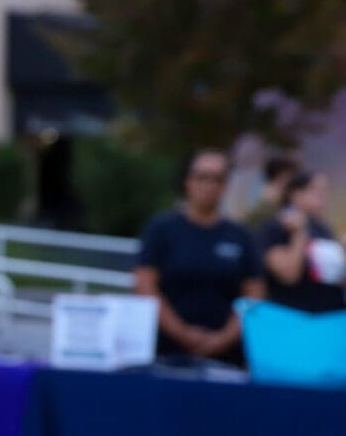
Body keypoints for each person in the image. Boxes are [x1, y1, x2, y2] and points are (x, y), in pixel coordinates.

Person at [134, 149, 263, 364]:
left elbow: (254, 297)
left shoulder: (240, 237)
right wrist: (182, 333)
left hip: (226, 358)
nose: (208, 185)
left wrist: (222, 338)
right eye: (201, 176)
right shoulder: (162, 230)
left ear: (225, 185)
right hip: (166, 353)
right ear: (187, 180)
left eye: (217, 179)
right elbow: (145, 286)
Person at [258, 170, 346, 314]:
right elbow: (288, 274)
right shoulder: (277, 227)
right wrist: (299, 235)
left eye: (325, 189)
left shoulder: (324, 229)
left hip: (328, 317)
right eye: (315, 189)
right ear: (295, 194)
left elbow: (334, 276)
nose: (322, 194)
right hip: (293, 318)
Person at [242, 154, 298, 234]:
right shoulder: (268, 194)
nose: (291, 180)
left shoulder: (280, 194)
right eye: (288, 176)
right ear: (280, 176)